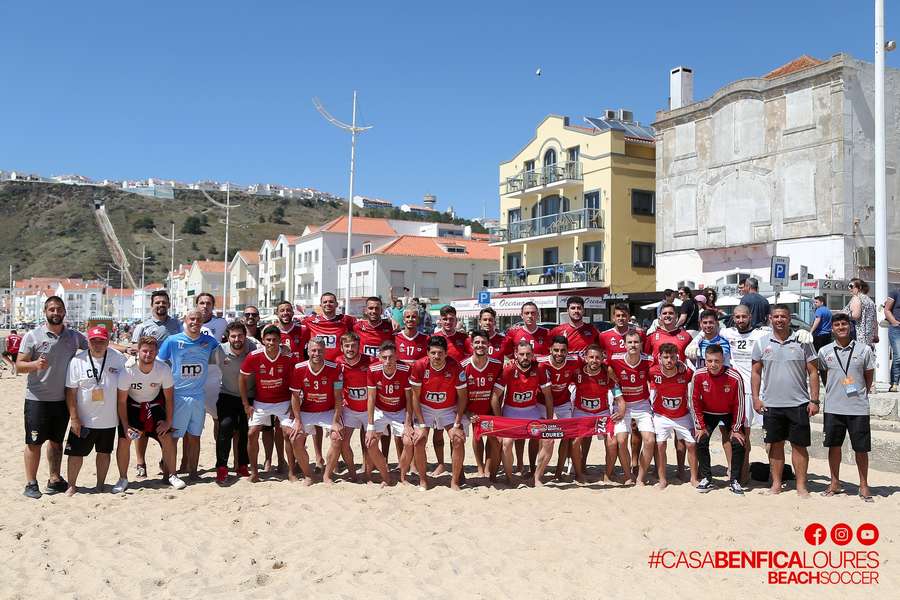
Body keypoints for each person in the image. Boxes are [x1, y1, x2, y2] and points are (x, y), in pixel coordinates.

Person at [18, 296, 89, 499]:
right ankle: (31, 483)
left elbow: (96, 345)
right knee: (34, 443)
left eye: (59, 309)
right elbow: (19, 365)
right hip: (37, 399)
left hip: (62, 400)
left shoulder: (74, 337)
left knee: (57, 442)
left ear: (64, 312)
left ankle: (55, 479)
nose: (55, 313)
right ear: (45, 312)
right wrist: (34, 365)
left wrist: (128, 350)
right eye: (51, 309)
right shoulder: (32, 336)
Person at [751, 304, 820, 497]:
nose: (779, 320)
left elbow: (813, 372)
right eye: (776, 316)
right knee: (775, 445)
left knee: (799, 446)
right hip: (771, 405)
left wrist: (814, 400)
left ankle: (801, 486)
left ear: (789, 319)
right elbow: (756, 373)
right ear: (770, 319)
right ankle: (776, 484)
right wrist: (756, 398)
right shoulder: (761, 342)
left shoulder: (803, 342)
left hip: (798, 404)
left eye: (783, 316)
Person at [114, 336, 185, 492]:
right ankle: (123, 478)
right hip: (133, 407)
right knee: (124, 440)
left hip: (154, 407)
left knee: (167, 437)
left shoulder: (163, 369)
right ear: (138, 351)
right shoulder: (127, 370)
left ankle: (172, 475)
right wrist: (125, 426)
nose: (148, 354)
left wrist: (168, 421)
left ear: (156, 352)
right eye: (144, 351)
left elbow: (169, 398)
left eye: (151, 351)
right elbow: (121, 402)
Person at [817, 312, 875, 501]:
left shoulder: (864, 350)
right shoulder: (824, 351)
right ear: (832, 329)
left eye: (844, 324)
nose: (841, 327)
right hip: (833, 407)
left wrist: (858, 392)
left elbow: (868, 376)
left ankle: (864, 484)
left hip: (858, 408)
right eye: (837, 325)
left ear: (849, 326)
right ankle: (834, 482)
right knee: (833, 446)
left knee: (861, 448)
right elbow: (825, 377)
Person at [63, 325, 126, 495]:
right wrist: (74, 418)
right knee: (76, 454)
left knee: (104, 453)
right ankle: (72, 485)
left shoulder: (118, 358)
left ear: (107, 342)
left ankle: (100, 484)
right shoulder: (78, 361)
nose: (98, 344)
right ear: (88, 342)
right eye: (94, 341)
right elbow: (71, 391)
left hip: (109, 419)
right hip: (84, 419)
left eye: (102, 341)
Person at [157, 308, 219, 480]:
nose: (195, 322)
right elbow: (159, 363)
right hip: (178, 395)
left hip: (198, 395)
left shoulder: (209, 341)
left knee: (195, 436)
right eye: (192, 319)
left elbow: (225, 352)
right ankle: (168, 473)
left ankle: (193, 473)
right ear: (185, 319)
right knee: (174, 437)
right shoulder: (172, 341)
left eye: (198, 320)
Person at [239, 325, 303, 483]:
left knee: (288, 433)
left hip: (283, 402)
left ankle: (291, 472)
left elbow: (297, 382)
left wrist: (294, 405)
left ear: (280, 341)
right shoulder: (254, 356)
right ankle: (254, 473)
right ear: (263, 340)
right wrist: (246, 404)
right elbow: (242, 378)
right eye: (268, 340)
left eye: (274, 340)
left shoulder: (288, 357)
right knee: (252, 433)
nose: (271, 343)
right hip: (261, 402)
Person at [302, 292, 356, 470]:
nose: (328, 304)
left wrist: (391, 321)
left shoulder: (346, 321)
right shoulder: (311, 321)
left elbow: (363, 325)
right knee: (317, 414)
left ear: (336, 304)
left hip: (339, 373)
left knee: (338, 412)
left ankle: (336, 458)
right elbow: (294, 329)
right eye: (325, 302)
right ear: (320, 304)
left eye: (331, 302)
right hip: (317, 373)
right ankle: (318, 458)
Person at [490, 340, 554, 487]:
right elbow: (494, 397)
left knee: (549, 440)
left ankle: (537, 477)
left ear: (533, 355)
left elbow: (548, 396)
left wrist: (549, 421)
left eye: (528, 354)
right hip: (511, 411)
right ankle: (509, 477)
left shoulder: (539, 368)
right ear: (515, 355)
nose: (525, 357)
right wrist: (500, 421)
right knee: (506, 443)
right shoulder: (508, 369)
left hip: (531, 410)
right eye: (522, 354)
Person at [408, 335, 468, 490]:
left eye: (440, 353)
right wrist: (421, 424)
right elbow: (415, 396)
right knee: (419, 440)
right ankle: (423, 480)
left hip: (448, 409)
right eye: (433, 353)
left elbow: (462, 397)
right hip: (425, 408)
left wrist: (457, 423)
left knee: (458, 439)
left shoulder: (455, 366)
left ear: (446, 353)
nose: (437, 356)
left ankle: (454, 481)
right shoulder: (419, 365)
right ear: (428, 353)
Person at [720, 304, 771, 483]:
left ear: (750, 317)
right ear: (733, 318)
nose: (740, 320)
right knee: (740, 434)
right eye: (737, 317)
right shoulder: (727, 333)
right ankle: (741, 474)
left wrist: (801, 336)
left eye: (744, 316)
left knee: (769, 436)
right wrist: (697, 340)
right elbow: (706, 330)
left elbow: (782, 335)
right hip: (735, 391)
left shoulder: (761, 334)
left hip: (757, 391)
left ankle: (774, 473)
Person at [288, 336, 344, 484]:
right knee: (295, 438)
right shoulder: (299, 368)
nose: (316, 354)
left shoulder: (334, 368)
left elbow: (338, 397)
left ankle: (327, 475)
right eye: (313, 350)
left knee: (337, 438)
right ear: (308, 351)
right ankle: (308, 475)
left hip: (328, 410)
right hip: (306, 410)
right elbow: (294, 396)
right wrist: (298, 420)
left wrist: (335, 421)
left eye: (320, 350)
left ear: (325, 351)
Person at [690, 344, 746, 495]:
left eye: (717, 361)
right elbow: (694, 401)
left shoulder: (734, 376)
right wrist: (700, 426)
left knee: (738, 442)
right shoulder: (699, 375)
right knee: (700, 440)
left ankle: (734, 480)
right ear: (705, 360)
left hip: (728, 413)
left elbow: (739, 403)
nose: (713, 364)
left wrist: (736, 429)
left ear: (723, 360)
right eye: (709, 361)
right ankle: (707, 478)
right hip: (709, 413)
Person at [607, 331, 655, 485]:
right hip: (622, 405)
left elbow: (656, 378)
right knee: (621, 440)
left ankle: (640, 476)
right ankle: (628, 475)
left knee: (649, 440)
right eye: (630, 342)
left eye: (636, 342)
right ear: (624, 344)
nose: (633, 345)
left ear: (641, 344)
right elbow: (609, 378)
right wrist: (619, 400)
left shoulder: (649, 360)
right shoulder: (614, 359)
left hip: (642, 404)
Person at [570, 345, 623, 484]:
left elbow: (619, 398)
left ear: (602, 359)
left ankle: (608, 474)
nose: (594, 360)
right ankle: (579, 473)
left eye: (598, 357)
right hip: (581, 412)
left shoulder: (607, 374)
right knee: (575, 441)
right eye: (591, 357)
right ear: (586, 358)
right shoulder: (577, 373)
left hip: (602, 412)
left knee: (612, 442)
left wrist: (621, 411)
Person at [212, 321, 257, 483]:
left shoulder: (253, 349)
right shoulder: (219, 351)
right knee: (225, 428)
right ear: (227, 337)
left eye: (240, 335)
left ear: (245, 336)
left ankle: (242, 464)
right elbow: (200, 358)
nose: (237, 339)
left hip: (250, 396)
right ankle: (222, 467)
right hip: (227, 394)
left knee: (245, 431)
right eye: (233, 336)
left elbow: (270, 350)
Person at [430, 305, 471, 476]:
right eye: (445, 319)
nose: (448, 321)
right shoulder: (434, 337)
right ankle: (441, 463)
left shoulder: (463, 338)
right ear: (440, 320)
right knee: (437, 430)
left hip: (458, 387)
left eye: (451, 319)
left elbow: (472, 356)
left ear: (456, 320)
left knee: (457, 429)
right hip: (439, 387)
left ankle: (458, 468)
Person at [649, 344, 696, 489]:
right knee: (660, 444)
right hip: (661, 415)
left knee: (691, 444)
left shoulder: (685, 373)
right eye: (666, 357)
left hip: (682, 415)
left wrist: (682, 364)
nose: (669, 360)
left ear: (677, 358)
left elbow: (694, 374)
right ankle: (662, 479)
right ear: (660, 358)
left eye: (672, 357)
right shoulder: (653, 372)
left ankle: (693, 478)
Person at [366, 341, 414, 485]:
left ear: (397, 356)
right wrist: (370, 426)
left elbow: (409, 399)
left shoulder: (405, 369)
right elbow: (371, 397)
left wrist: (408, 423)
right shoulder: (373, 369)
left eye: (391, 357)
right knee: (370, 442)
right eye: (385, 357)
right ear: (379, 357)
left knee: (409, 441)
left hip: (399, 411)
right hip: (380, 411)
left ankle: (403, 476)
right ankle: (385, 476)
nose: (388, 361)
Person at [538, 336, 582, 479]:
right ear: (550, 350)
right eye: (556, 350)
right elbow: (548, 396)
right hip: (543, 402)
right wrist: (550, 421)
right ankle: (537, 469)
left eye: (563, 351)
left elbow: (593, 362)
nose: (559, 353)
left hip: (563, 401)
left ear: (567, 351)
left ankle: (558, 471)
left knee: (566, 436)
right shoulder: (541, 364)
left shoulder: (574, 361)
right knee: (543, 435)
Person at [462, 330, 504, 478]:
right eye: (477, 342)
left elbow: (498, 394)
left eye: (484, 343)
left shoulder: (497, 365)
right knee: (476, 436)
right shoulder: (463, 366)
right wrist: (467, 412)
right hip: (470, 410)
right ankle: (479, 467)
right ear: (471, 344)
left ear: (489, 345)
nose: (480, 345)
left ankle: (488, 468)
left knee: (493, 438)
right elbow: (459, 395)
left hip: (489, 408)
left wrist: (498, 415)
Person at [336, 332, 373, 482]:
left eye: (353, 346)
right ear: (342, 347)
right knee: (344, 442)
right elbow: (337, 385)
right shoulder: (338, 362)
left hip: (368, 409)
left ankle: (368, 474)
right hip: (350, 409)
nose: (350, 349)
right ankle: (352, 473)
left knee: (370, 443)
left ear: (359, 346)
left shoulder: (370, 360)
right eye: (347, 346)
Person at [845, 278, 877, 347]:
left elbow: (856, 315)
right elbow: (874, 320)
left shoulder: (856, 298)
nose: (849, 289)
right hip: (868, 335)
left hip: (859, 334)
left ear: (859, 287)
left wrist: (843, 314)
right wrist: (875, 334)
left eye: (851, 286)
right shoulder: (870, 300)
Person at [885, 287, 900, 392]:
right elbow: (887, 309)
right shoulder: (895, 291)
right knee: (898, 356)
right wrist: (894, 322)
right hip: (896, 328)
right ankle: (894, 383)